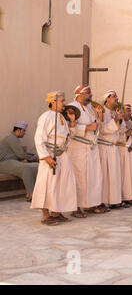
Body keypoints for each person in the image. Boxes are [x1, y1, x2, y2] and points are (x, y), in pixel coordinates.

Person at [31, 91, 78, 226]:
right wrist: (46, 157)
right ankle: (46, 216)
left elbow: (70, 136)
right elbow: (39, 138)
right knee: (47, 184)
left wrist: (73, 121)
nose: (64, 103)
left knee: (63, 183)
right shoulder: (46, 117)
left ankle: (56, 212)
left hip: (63, 154)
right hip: (51, 155)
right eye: (62, 101)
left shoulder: (62, 117)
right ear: (53, 102)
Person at [67, 85, 105, 217]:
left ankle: (90, 204)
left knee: (93, 177)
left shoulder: (90, 109)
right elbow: (69, 127)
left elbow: (97, 125)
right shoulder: (71, 108)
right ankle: (75, 207)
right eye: (88, 93)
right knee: (79, 178)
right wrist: (87, 127)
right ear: (79, 94)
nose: (91, 95)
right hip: (78, 149)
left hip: (91, 148)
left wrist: (99, 116)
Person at [98, 90, 125, 209]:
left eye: (116, 96)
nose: (117, 98)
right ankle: (102, 200)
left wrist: (119, 120)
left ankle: (114, 200)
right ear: (107, 99)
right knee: (105, 175)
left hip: (114, 147)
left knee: (114, 175)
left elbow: (119, 130)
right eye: (114, 96)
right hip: (104, 146)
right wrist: (115, 121)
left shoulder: (115, 112)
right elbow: (102, 130)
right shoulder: (102, 112)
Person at [0, 121, 38, 201]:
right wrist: (34, 158)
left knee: (36, 166)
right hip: (4, 163)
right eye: (24, 131)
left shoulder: (14, 138)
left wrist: (32, 158)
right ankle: (31, 193)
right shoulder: (11, 138)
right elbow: (21, 155)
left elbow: (20, 154)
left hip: (12, 162)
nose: (24, 133)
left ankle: (38, 191)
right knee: (25, 168)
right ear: (19, 130)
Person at [118, 104, 132, 206]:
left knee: (131, 175)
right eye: (128, 110)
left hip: (130, 151)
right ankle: (124, 197)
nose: (130, 113)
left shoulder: (130, 122)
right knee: (124, 175)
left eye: (130, 111)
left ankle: (131, 196)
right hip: (122, 149)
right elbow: (115, 136)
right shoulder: (119, 122)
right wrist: (125, 135)